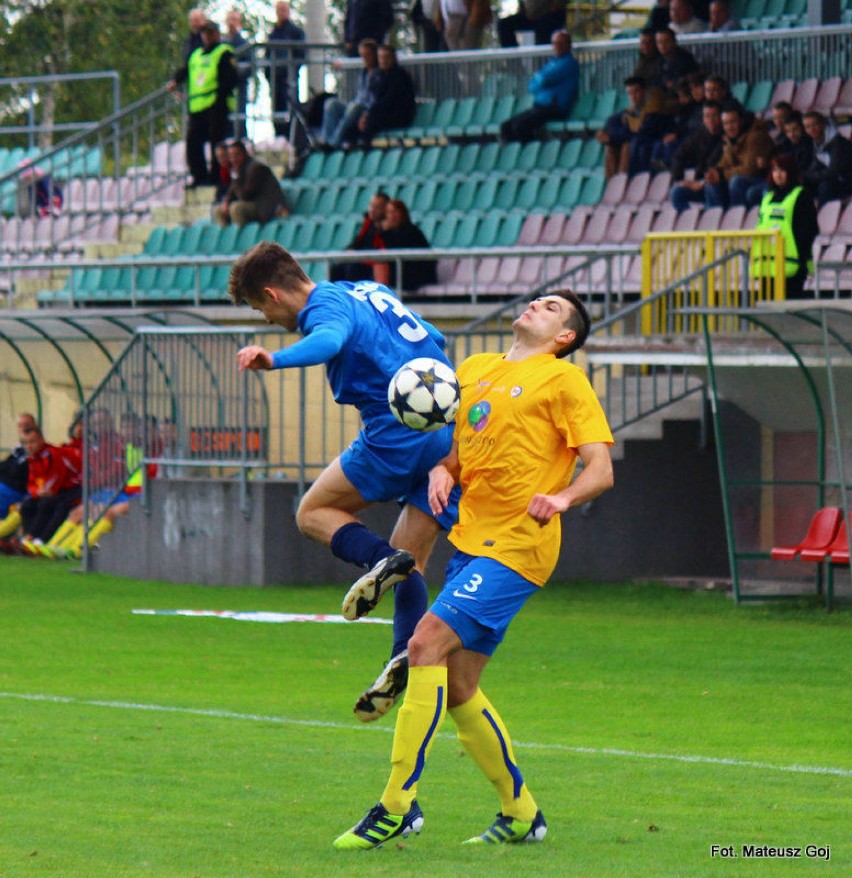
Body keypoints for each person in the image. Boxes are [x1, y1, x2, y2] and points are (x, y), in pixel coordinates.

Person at [332, 289, 614, 850]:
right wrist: (442, 471)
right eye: (538, 299)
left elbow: (601, 468)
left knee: (424, 644)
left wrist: (561, 500)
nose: (537, 305)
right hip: (470, 541)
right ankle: (520, 813)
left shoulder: (564, 381)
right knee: (459, 688)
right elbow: (460, 451)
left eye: (553, 308)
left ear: (566, 339)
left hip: (519, 546)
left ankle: (396, 805)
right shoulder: (474, 371)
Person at [229, 241, 463, 720]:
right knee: (412, 567)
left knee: (312, 512)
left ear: (273, 294)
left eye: (260, 309)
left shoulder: (326, 309)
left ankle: (380, 558)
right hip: (446, 438)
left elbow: (330, 341)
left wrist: (273, 360)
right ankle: (404, 651)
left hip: (394, 436)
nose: (267, 321)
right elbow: (434, 337)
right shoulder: (368, 290)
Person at [169, 22, 238, 188]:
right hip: (197, 106)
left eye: (211, 33)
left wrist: (220, 100)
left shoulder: (224, 52)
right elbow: (186, 70)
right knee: (193, 144)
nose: (207, 36)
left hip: (216, 105)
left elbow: (230, 79)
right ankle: (199, 177)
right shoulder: (196, 55)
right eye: (205, 33)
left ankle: (217, 177)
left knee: (217, 144)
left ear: (217, 34)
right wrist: (175, 80)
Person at [752, 153, 819, 300]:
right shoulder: (767, 197)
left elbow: (809, 230)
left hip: (792, 266)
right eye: (775, 170)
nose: (778, 175)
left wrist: (801, 257)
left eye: (782, 170)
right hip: (767, 267)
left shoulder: (801, 195)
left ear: (791, 172)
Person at [499, 30, 579, 143]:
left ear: (568, 45)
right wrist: (539, 78)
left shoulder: (569, 63)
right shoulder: (552, 63)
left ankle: (532, 152)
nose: (557, 47)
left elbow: (544, 79)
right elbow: (532, 86)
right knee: (506, 127)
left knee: (520, 126)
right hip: (541, 106)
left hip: (555, 108)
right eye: (555, 43)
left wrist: (539, 77)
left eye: (561, 43)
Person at [16, 426, 81, 550]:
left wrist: (42, 492)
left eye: (32, 442)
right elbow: (32, 483)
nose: (29, 446)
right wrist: (37, 492)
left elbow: (55, 479)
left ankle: (41, 540)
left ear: (41, 440)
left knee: (49, 504)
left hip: (75, 488)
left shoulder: (52, 454)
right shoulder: (33, 458)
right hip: (52, 491)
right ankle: (28, 537)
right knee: (27, 505)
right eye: (25, 443)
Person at [703, 103, 775, 209]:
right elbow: (725, 162)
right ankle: (716, 220)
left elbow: (750, 169)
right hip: (742, 177)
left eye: (732, 122)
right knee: (710, 183)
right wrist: (714, 172)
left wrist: (721, 175)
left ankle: (738, 217)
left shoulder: (756, 136)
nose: (729, 127)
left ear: (742, 120)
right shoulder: (731, 138)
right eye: (725, 123)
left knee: (737, 181)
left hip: (764, 179)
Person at [596, 75, 669, 177]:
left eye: (636, 92)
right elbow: (612, 122)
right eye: (630, 93)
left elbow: (640, 134)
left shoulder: (653, 110)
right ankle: (612, 185)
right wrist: (608, 137)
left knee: (627, 145)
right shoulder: (631, 110)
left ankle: (623, 184)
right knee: (610, 147)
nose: (633, 97)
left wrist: (612, 138)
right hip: (636, 141)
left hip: (649, 144)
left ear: (644, 91)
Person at [349, 45, 416, 146]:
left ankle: (363, 145)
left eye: (386, 57)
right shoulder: (378, 75)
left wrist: (368, 114)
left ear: (393, 58)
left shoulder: (400, 76)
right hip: (383, 113)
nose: (383, 61)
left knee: (371, 122)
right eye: (380, 57)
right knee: (354, 122)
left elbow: (388, 101)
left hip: (399, 116)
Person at [320, 39, 380, 149]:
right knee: (331, 103)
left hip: (367, 108)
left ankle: (335, 142)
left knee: (354, 107)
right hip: (356, 104)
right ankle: (326, 139)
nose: (365, 58)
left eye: (368, 55)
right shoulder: (363, 73)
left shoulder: (379, 74)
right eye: (363, 55)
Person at [213, 141, 288, 227]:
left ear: (244, 154)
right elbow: (232, 191)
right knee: (218, 210)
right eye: (231, 156)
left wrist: (235, 176)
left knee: (236, 208)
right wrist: (226, 202)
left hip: (265, 206)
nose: (233, 159)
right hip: (253, 203)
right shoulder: (238, 169)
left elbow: (244, 195)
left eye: (236, 155)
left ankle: (241, 238)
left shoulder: (255, 168)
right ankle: (226, 238)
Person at [669, 99, 724, 211]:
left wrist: (701, 183)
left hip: (720, 185)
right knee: (676, 192)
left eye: (714, 116)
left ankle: (712, 220)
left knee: (711, 187)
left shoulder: (727, 136)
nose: (711, 120)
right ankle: (690, 221)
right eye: (707, 116)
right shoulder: (699, 136)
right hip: (700, 183)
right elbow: (678, 155)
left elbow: (719, 167)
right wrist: (680, 179)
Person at [373, 199, 437, 293]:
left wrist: (385, 232)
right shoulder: (388, 233)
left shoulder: (412, 231)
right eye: (389, 212)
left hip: (414, 274)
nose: (392, 216)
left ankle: (381, 292)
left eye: (395, 212)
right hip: (398, 271)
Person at [330, 191, 388, 283]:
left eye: (377, 207)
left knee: (353, 267)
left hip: (373, 263)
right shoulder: (368, 223)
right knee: (336, 266)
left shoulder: (387, 228)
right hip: (363, 259)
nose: (372, 210)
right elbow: (358, 242)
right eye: (371, 206)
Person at [266, 1, 306, 136]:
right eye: (279, 9)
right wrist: (268, 75)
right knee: (277, 113)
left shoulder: (296, 32)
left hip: (289, 80)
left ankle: (293, 139)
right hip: (275, 80)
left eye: (284, 9)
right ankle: (279, 139)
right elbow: (267, 55)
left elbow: (301, 55)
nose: (282, 12)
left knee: (292, 111)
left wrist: (291, 72)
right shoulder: (273, 33)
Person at [801, 111, 852, 206]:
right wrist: (802, 177)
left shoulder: (838, 144)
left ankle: (823, 216)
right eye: (807, 127)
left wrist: (810, 176)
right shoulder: (817, 143)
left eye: (814, 125)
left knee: (825, 186)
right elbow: (815, 166)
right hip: (836, 180)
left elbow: (833, 172)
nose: (812, 129)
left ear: (823, 125)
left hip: (846, 181)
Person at [0, 413, 36, 527]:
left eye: (27, 424)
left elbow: (17, 471)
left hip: (16, 489)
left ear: (34, 425)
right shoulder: (19, 448)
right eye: (21, 425)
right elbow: (6, 464)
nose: (24, 428)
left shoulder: (36, 447)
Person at [226, 9, 254, 139]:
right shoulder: (222, 44)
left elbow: (250, 65)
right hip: (225, 89)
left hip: (240, 86)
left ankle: (241, 139)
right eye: (230, 19)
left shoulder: (244, 44)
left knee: (240, 115)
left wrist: (235, 71)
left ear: (239, 23)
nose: (231, 23)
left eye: (234, 20)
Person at [497, 1, 566, 48]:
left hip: (551, 14)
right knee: (504, 24)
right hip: (531, 15)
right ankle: (513, 62)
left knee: (544, 25)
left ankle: (544, 62)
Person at [654, 28, 699, 95]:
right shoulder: (658, 59)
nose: (663, 45)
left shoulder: (685, 58)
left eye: (666, 41)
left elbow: (692, 78)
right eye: (659, 42)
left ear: (674, 41)